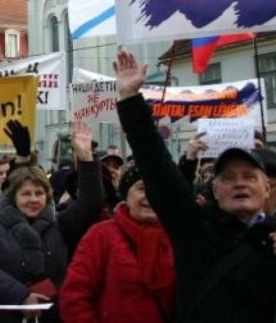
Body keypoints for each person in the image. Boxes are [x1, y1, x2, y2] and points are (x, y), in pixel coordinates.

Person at [113, 50, 276, 322]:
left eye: (249, 177)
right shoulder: (195, 228)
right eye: (228, 178)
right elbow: (157, 168)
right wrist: (130, 100)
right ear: (215, 190)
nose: (239, 184)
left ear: (267, 188)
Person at [0, 121, 102, 323]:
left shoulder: (59, 223)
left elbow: (91, 204)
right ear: (14, 197)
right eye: (26, 194)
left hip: (53, 315)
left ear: (47, 196)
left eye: (39, 193)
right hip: (5, 315)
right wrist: (22, 295)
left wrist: (86, 159)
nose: (33, 199)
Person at [59, 167, 176, 322]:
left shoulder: (178, 238)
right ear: (127, 195)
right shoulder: (102, 235)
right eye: (142, 188)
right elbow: (74, 296)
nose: (151, 195)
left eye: (158, 188)